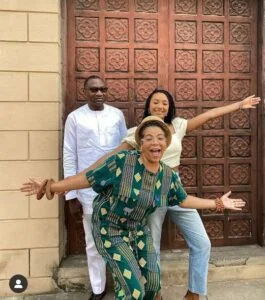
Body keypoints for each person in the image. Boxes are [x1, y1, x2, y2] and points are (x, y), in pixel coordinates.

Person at [21, 116, 245, 300]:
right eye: (148, 138)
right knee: (132, 289)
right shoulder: (123, 162)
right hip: (110, 228)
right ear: (140, 143)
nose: (154, 142)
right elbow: (88, 179)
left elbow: (183, 200)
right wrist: (51, 186)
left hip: (137, 228)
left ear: (166, 144)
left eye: (160, 138)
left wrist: (217, 203)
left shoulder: (168, 176)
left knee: (154, 283)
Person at [80, 89, 260, 300]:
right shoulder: (138, 133)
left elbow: (209, 115)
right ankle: (154, 293)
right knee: (151, 245)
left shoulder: (179, 126)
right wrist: (80, 178)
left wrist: (238, 104)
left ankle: (194, 293)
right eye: (155, 102)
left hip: (175, 188)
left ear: (169, 106)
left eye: (164, 103)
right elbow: (111, 158)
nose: (160, 106)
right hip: (148, 190)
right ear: (148, 106)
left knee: (202, 243)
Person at [63, 75, 127, 300]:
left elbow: (125, 151)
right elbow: (69, 155)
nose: (99, 93)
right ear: (85, 91)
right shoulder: (75, 118)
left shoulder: (116, 115)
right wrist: (71, 195)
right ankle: (98, 289)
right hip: (87, 192)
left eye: (103, 89)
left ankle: (123, 284)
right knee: (93, 242)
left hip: (116, 190)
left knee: (120, 240)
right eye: (93, 90)